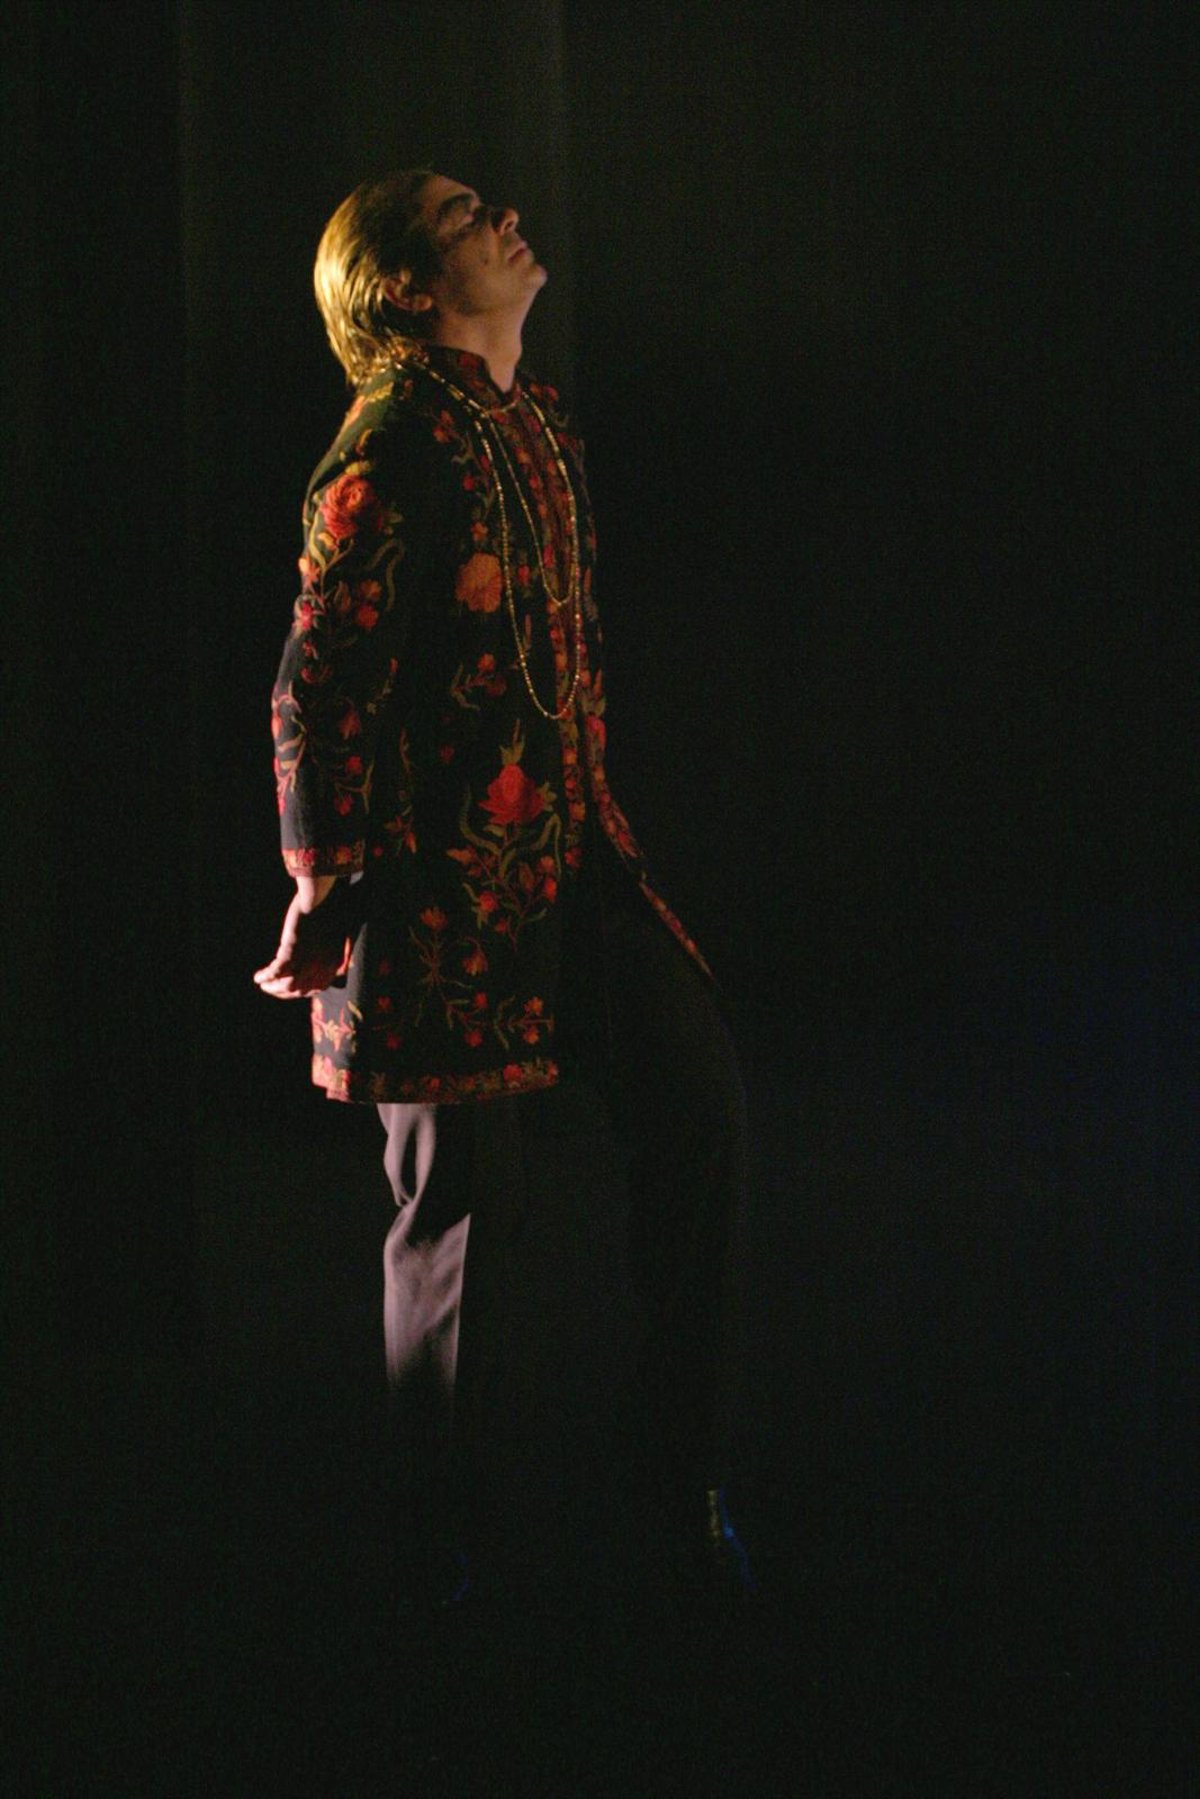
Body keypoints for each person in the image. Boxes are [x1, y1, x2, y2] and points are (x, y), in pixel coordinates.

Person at [254, 170, 752, 1603]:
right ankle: (438, 1546)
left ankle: (677, 1481)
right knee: (459, 1219)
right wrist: (323, 878)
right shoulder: (391, 442)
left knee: (698, 1115)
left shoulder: (535, 425)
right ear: (409, 287)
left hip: (574, 864)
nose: (506, 221)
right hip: (438, 897)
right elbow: (317, 685)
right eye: (466, 216)